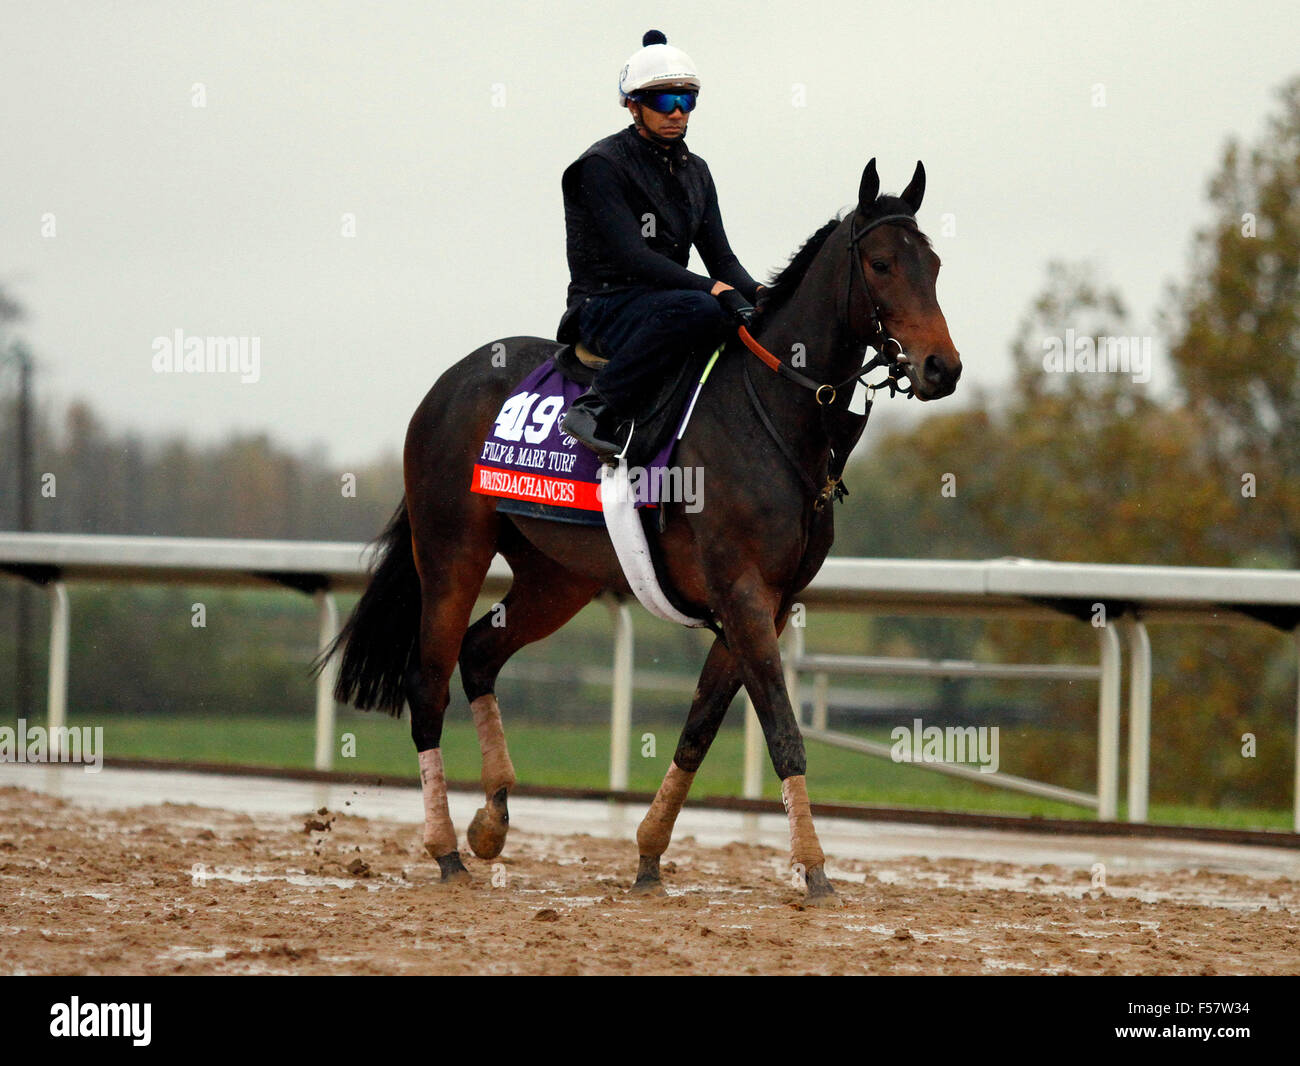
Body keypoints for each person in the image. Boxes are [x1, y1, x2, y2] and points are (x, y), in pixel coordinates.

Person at [557, 29, 763, 460]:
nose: (677, 113)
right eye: (663, 101)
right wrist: (713, 290)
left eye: (686, 100)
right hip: (605, 307)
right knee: (706, 308)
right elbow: (634, 257)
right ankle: (595, 407)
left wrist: (761, 295)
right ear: (633, 105)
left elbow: (722, 259)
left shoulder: (697, 171)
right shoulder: (600, 167)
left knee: (744, 316)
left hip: (667, 302)